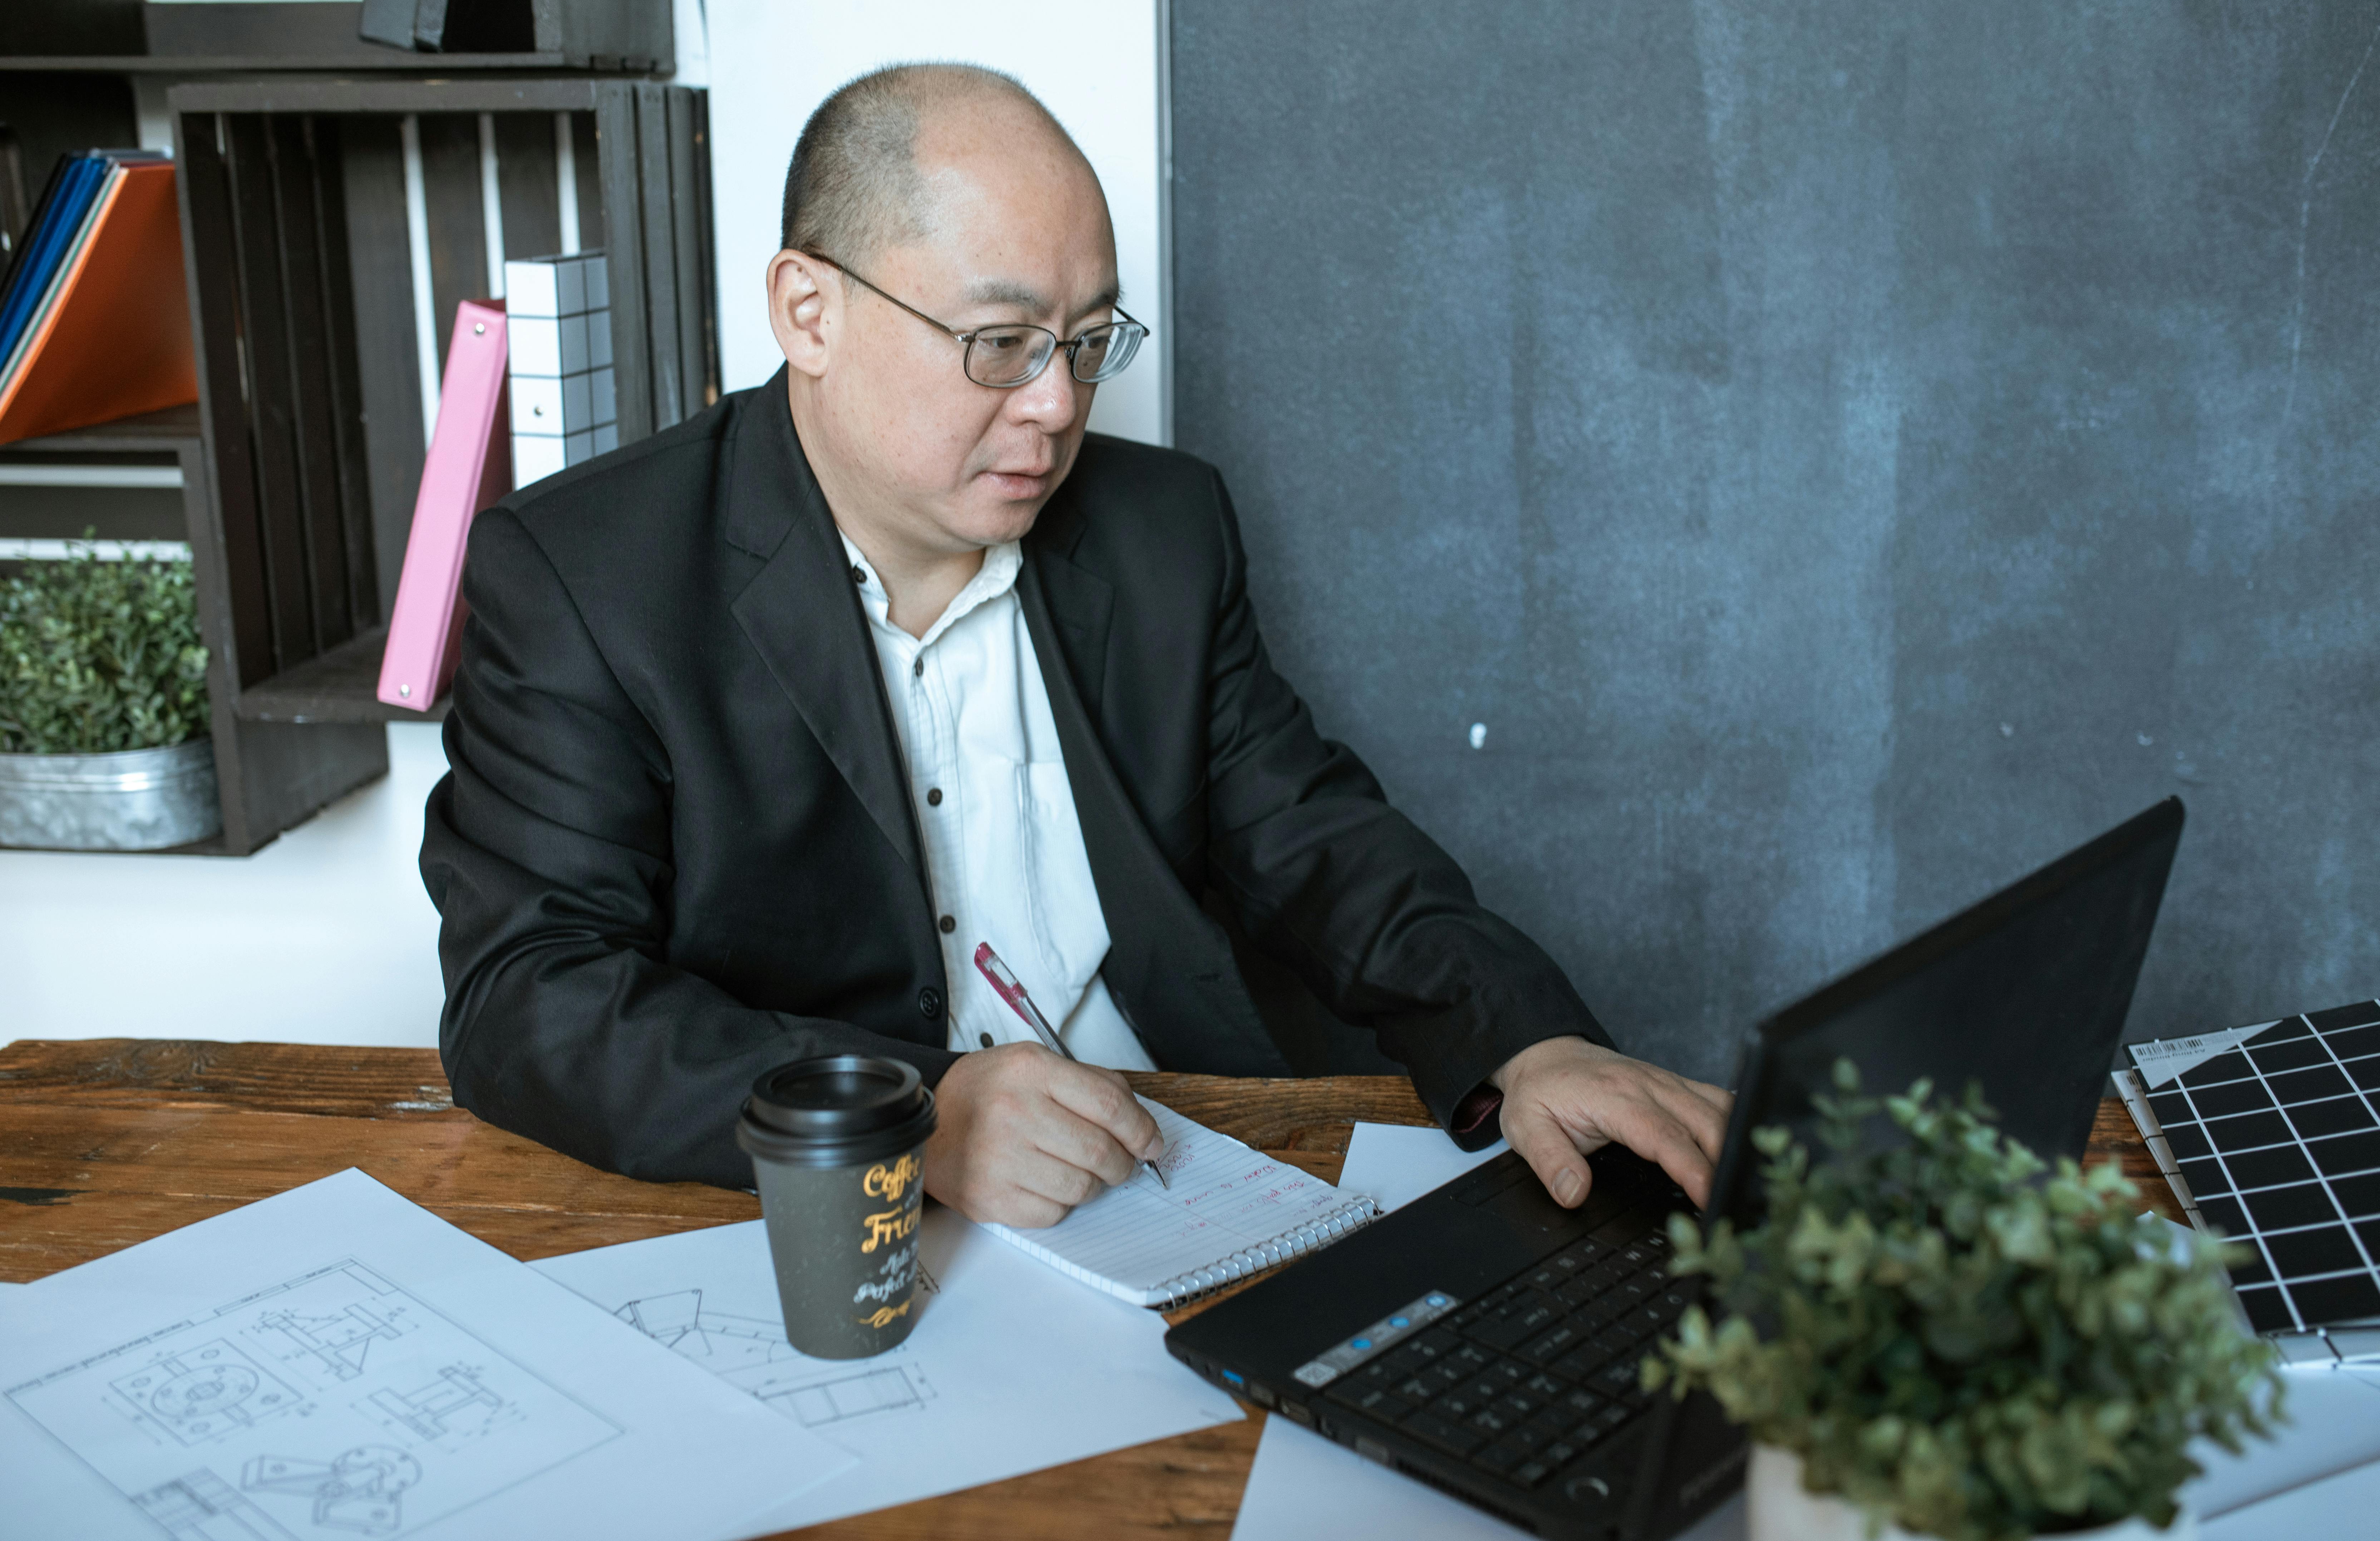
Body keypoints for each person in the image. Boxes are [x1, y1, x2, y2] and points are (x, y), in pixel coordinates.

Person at [420, 63, 1731, 1229]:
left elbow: (1316, 840)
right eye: (999, 344)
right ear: (808, 313)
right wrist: (916, 1118)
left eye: (1089, 341)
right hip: (842, 1226)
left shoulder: (1161, 530)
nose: (1055, 407)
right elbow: (529, 1002)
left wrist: (1526, 1038)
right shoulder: (589, 577)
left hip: (1181, 1165)